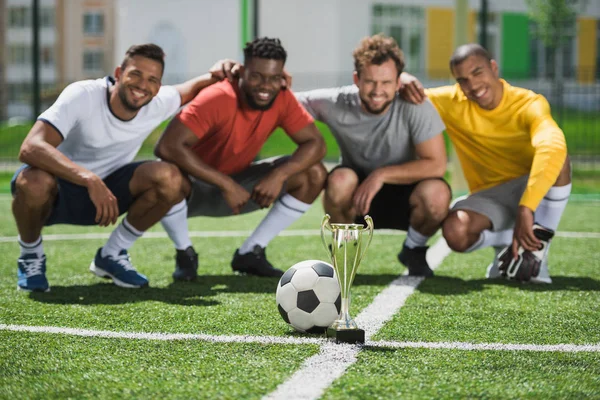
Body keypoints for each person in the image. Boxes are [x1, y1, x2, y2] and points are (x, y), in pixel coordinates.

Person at [12, 43, 225, 291]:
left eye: (152, 79)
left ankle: (111, 255)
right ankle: (30, 255)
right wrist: (88, 179)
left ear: (158, 86)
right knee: (32, 181)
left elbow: (194, 87)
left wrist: (221, 69)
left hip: (110, 193)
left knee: (169, 177)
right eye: (135, 74)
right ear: (118, 73)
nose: (142, 85)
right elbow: (30, 147)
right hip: (59, 190)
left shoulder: (159, 102)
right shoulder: (83, 94)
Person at [156, 37, 327, 280]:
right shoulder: (219, 96)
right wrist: (226, 184)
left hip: (240, 187)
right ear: (242, 71)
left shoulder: (281, 96)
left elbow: (316, 143)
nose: (265, 86)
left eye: (273, 78)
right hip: (189, 191)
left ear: (282, 77)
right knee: (163, 175)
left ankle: (250, 253)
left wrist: (279, 175)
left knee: (314, 173)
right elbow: (167, 147)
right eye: (257, 76)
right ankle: (185, 254)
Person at [400, 43, 571, 283]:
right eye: (463, 80)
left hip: (531, 187)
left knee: (560, 158)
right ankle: (508, 243)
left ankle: (535, 250)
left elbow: (553, 144)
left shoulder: (529, 103)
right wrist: (404, 77)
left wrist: (527, 206)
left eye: (477, 72)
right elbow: (403, 90)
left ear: (493, 67)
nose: (472, 85)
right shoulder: (451, 101)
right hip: (489, 195)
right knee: (455, 232)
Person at [293, 34, 451, 277]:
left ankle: (413, 250)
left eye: (387, 82)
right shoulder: (336, 102)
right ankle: (343, 255)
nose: (378, 90)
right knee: (339, 180)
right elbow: (285, 103)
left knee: (438, 194)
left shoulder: (416, 104)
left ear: (399, 82)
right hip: (356, 197)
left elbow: (437, 165)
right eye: (370, 82)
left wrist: (381, 175)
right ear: (357, 79)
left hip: (406, 194)